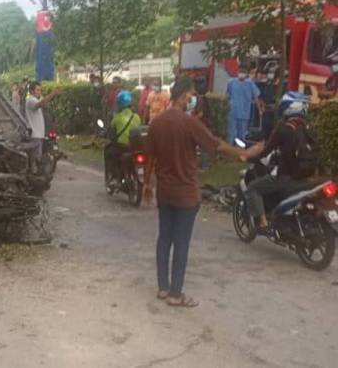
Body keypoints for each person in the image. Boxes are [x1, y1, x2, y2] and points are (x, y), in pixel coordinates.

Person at [143, 77, 250, 307]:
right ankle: (175, 294)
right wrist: (245, 154)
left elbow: (149, 157)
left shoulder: (157, 123)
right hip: (186, 195)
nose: (194, 99)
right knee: (181, 242)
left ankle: (163, 287)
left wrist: (146, 184)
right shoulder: (190, 123)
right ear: (183, 96)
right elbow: (216, 145)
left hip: (165, 193)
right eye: (192, 95)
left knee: (164, 238)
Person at [244, 92, 315, 230]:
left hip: (286, 177)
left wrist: (249, 157)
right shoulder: (309, 128)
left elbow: (266, 151)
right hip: (307, 177)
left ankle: (263, 222)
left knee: (253, 187)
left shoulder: (283, 128)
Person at [104, 90, 141, 188]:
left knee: (108, 152)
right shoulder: (137, 117)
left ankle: (115, 177)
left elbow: (111, 133)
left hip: (122, 147)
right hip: (135, 148)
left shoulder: (117, 118)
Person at [25, 82, 60, 172]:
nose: (39, 92)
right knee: (35, 159)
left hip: (39, 135)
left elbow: (44, 104)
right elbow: (41, 104)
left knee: (38, 158)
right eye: (37, 90)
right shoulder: (30, 100)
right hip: (34, 135)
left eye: (40, 90)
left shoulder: (35, 100)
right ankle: (34, 176)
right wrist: (52, 94)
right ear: (31, 91)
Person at [226, 66, 260, 143]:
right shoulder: (231, 82)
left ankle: (239, 151)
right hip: (233, 112)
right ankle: (230, 149)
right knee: (231, 133)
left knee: (241, 135)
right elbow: (227, 95)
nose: (241, 74)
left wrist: (259, 109)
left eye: (243, 73)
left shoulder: (250, 84)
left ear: (246, 74)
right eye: (240, 72)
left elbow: (256, 96)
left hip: (244, 112)